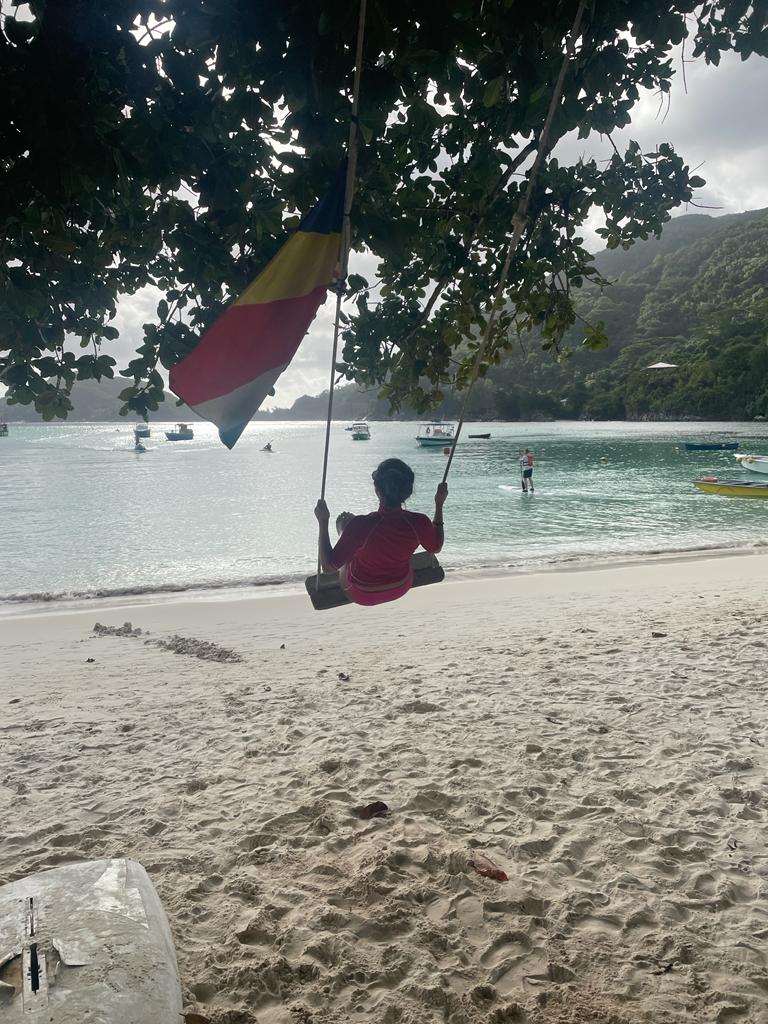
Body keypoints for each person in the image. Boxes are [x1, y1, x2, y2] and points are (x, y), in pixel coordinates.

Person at [314, 458, 447, 607]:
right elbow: (436, 547)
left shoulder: (360, 525)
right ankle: (348, 535)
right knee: (381, 540)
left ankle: (343, 532)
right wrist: (439, 504)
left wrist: (323, 522)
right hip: (400, 587)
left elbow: (328, 567)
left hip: (361, 593)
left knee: (348, 547)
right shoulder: (418, 522)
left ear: (377, 490)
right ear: (408, 492)